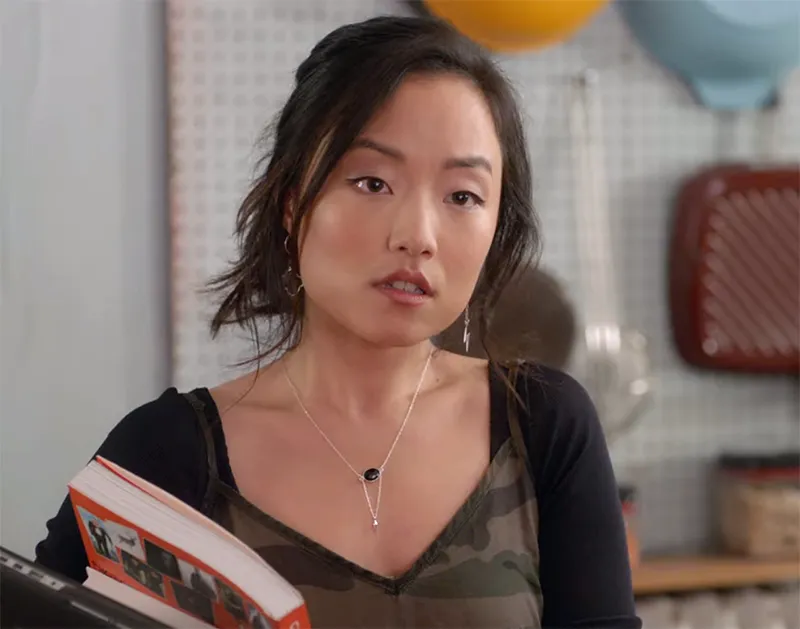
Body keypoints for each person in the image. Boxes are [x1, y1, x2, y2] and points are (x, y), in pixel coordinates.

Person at [34, 14, 640, 629]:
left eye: (463, 196)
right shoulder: (168, 450)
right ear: (294, 207)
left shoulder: (542, 426)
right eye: (373, 182)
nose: (417, 237)